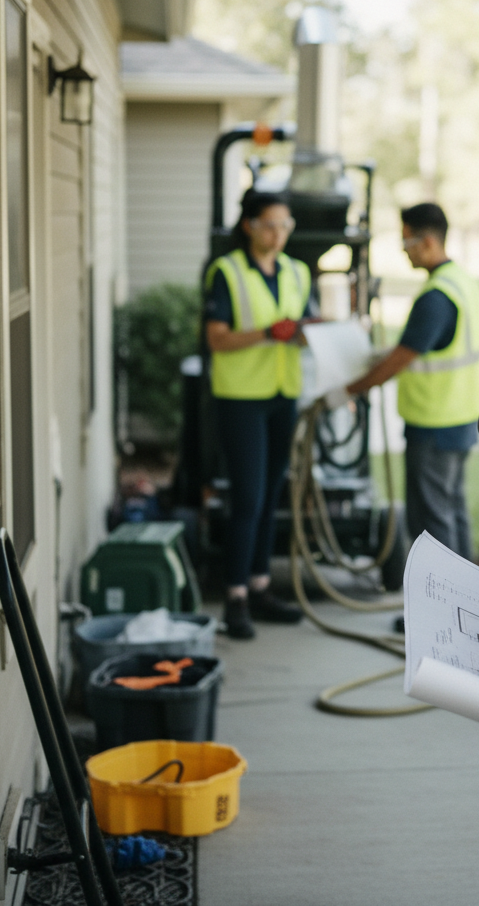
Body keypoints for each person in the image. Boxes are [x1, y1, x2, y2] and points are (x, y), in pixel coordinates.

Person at [329, 203, 479, 557]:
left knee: (432, 523)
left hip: (433, 424)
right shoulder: (463, 283)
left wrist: (345, 392)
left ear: (428, 242)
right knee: (453, 511)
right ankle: (462, 604)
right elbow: (424, 347)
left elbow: (403, 359)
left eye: (407, 243)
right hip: (461, 418)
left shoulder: (436, 296)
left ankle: (437, 610)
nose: (405, 252)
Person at [205, 190, 310, 640]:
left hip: (283, 394)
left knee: (270, 496)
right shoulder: (226, 272)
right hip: (241, 398)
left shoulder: (297, 272)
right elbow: (217, 339)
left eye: (285, 225)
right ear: (248, 225)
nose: (278, 233)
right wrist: (269, 332)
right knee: (247, 499)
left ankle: (261, 587)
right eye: (269, 224)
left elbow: (304, 327)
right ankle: (235, 599)